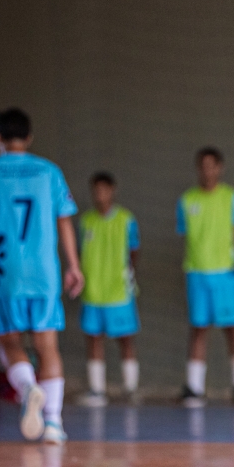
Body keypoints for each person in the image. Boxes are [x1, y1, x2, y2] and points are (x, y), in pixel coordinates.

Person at [0, 108, 83, 445]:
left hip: (7, 272)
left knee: (10, 342)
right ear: (29, 137)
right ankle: (54, 423)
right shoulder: (49, 171)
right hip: (44, 272)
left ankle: (28, 387)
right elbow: (64, 221)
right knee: (47, 346)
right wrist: (74, 266)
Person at [177, 147, 234, 406]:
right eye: (203, 165)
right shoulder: (186, 200)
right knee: (198, 328)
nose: (207, 171)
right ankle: (195, 387)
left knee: (232, 327)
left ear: (220, 167)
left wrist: (227, 257)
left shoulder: (233, 198)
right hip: (197, 272)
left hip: (225, 273)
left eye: (212, 165)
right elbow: (186, 235)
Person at [78, 172, 142, 407]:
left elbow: (134, 251)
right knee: (94, 339)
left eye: (104, 190)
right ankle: (97, 390)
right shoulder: (86, 221)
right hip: (93, 291)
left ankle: (130, 389)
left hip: (118, 291)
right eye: (96, 190)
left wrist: (126, 274)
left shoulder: (126, 220)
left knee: (125, 339)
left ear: (112, 190)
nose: (100, 195)